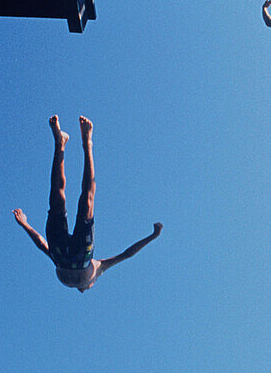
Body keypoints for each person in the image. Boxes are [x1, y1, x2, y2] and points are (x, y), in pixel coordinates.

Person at [13, 115, 162, 293]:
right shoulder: (98, 269)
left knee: (73, 198)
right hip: (68, 255)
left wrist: (25, 224)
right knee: (70, 198)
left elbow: (41, 244)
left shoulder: (95, 271)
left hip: (64, 255)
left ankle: (62, 143)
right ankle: (85, 143)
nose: (85, 289)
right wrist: (152, 236)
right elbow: (127, 254)